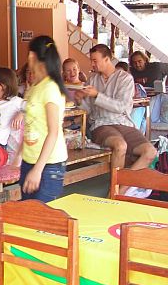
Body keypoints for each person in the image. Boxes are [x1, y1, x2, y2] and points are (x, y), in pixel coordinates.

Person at [75, 44, 157, 177]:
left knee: (150, 152)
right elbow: (89, 110)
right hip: (101, 124)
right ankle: (115, 190)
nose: (92, 64)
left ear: (107, 59)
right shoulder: (92, 79)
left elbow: (122, 107)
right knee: (120, 145)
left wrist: (97, 95)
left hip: (123, 123)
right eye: (91, 60)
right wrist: (79, 100)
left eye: (95, 60)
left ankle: (121, 189)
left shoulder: (125, 78)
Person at [20, 36, 68, 202]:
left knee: (42, 218)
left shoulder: (50, 88)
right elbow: (30, 124)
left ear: (32, 56)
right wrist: (19, 156)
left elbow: (53, 132)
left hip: (48, 165)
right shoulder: (35, 86)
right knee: (28, 215)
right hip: (30, 159)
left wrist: (38, 170)